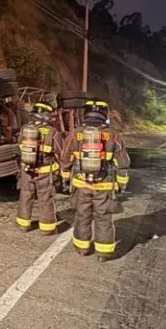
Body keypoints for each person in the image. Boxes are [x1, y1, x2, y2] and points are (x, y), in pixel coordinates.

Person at [60, 99, 130, 262]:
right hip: (104, 184)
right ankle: (104, 253)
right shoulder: (113, 135)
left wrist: (64, 177)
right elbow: (123, 161)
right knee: (103, 217)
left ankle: (82, 248)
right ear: (104, 114)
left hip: (80, 184)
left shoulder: (75, 133)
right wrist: (122, 183)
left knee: (82, 215)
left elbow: (65, 157)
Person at [17, 102, 63, 235]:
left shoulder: (25, 128)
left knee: (26, 195)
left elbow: (20, 144)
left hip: (27, 169)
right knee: (45, 198)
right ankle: (47, 229)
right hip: (44, 171)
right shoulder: (52, 131)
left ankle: (23, 225)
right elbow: (59, 151)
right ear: (45, 115)